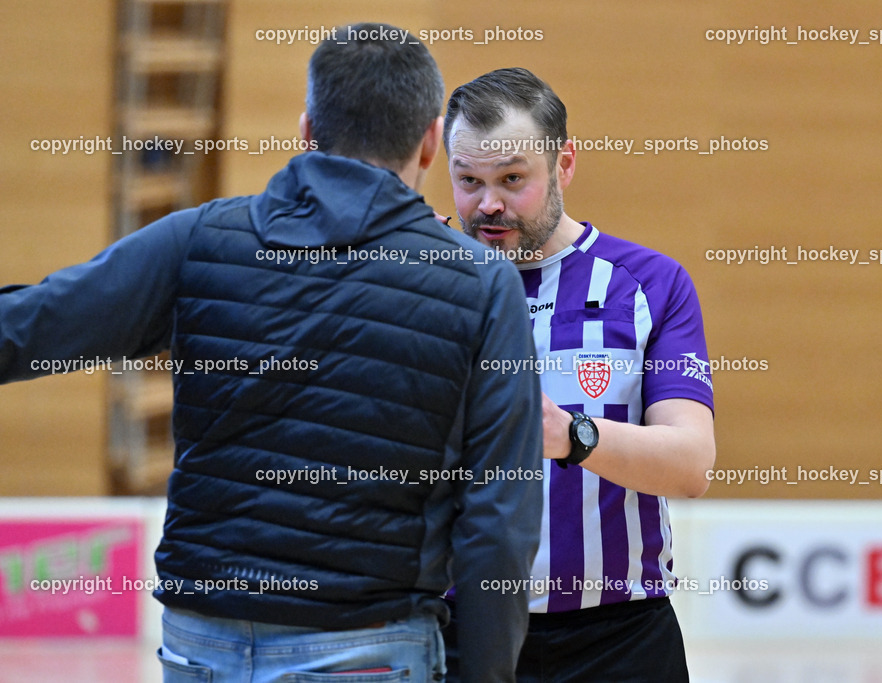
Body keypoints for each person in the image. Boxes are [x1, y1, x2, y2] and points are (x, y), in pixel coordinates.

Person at [0, 26, 543, 682]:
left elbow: (27, 330)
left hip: (201, 648)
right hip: (368, 651)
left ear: (307, 129)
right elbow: (498, 524)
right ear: (432, 140)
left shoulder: (199, 239)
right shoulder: (482, 285)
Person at [440, 67, 716, 682]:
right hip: (458, 634)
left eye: (513, 179)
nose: (488, 204)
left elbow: (691, 463)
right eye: (468, 181)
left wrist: (570, 436)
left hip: (618, 641)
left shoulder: (650, 284)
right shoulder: (422, 280)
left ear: (563, 164)